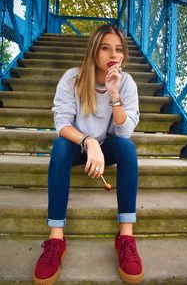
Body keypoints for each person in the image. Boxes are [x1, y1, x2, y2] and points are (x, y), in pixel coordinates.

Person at [33, 24, 143, 285]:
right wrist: (88, 141)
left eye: (118, 49)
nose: (112, 54)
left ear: (124, 55)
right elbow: (61, 124)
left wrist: (115, 95)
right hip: (77, 144)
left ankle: (125, 236)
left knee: (127, 147)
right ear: (94, 50)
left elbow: (125, 131)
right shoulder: (73, 78)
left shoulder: (126, 83)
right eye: (105, 48)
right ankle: (56, 239)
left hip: (108, 146)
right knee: (59, 146)